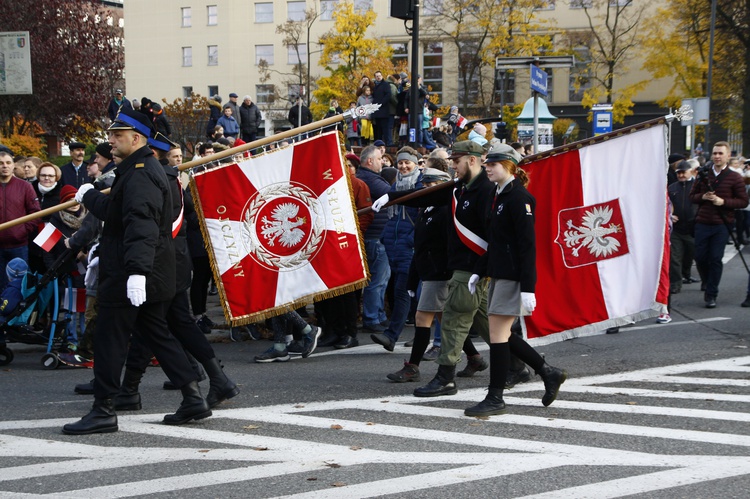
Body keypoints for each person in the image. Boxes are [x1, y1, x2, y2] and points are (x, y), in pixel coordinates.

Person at [63, 109, 211, 435]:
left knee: (109, 337)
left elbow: (140, 224)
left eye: (117, 135)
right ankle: (192, 397)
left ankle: (103, 409)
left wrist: (136, 273)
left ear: (137, 138)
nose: (110, 140)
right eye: (111, 134)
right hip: (147, 270)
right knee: (157, 332)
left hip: (133, 270)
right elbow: (118, 214)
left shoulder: (141, 173)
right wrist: (90, 196)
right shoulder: (135, 169)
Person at [370, 141, 495, 398]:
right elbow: (421, 242)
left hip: (454, 271)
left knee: (449, 321)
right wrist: (391, 198)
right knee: (472, 323)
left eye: (456, 161)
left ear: (472, 160)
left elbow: (484, 234)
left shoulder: (473, 193)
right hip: (444, 271)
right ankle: (497, 360)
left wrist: (480, 269)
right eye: (424, 183)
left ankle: (427, 371)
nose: (453, 166)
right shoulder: (445, 198)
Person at [463, 144, 567, 417]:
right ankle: (548, 372)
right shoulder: (499, 195)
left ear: (509, 166)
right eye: (486, 164)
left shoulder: (519, 197)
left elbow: (526, 246)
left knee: (498, 336)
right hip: (499, 272)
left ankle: (496, 396)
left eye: (492, 164)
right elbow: (495, 241)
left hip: (512, 275)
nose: (487, 168)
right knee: (501, 335)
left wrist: (528, 288)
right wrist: (480, 269)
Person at [371, 147, 423, 351]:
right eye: (400, 162)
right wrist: (386, 236)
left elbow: (418, 209)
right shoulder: (396, 184)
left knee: (405, 292)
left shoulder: (420, 183)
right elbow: (394, 216)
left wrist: (411, 240)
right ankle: (420, 335)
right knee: (407, 292)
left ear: (416, 163)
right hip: (395, 245)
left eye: (407, 162)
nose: (403, 166)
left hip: (408, 247)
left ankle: (392, 336)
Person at [689, 141, 749, 308]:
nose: (716, 156)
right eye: (715, 153)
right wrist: (703, 197)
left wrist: (723, 201)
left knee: (715, 258)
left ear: (728, 156)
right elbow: (692, 196)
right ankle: (707, 282)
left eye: (720, 153)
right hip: (702, 222)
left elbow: (743, 202)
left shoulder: (735, 177)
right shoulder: (703, 174)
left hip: (722, 224)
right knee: (700, 258)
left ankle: (711, 294)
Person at [356, 145, 392, 332]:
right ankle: (372, 318)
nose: (382, 162)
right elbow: (393, 192)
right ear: (369, 161)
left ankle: (378, 314)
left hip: (376, 236)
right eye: (379, 159)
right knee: (377, 280)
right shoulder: (371, 179)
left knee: (382, 279)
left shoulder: (369, 177)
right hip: (374, 237)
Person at [0, 151, 40, 290]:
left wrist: (21, 231)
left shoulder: (25, 187)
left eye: (8, 163)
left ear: (13, 165)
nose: (4, 166)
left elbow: (35, 213)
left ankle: (18, 312)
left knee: (19, 287)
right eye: (1, 163)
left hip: (18, 245)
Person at [668, 160, 698, 295]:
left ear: (690, 171)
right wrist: (670, 215)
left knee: (690, 255)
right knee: (675, 256)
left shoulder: (697, 186)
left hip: (693, 228)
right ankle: (675, 283)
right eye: (678, 173)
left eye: (683, 172)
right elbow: (665, 205)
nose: (681, 175)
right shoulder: (672, 188)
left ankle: (687, 273)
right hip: (677, 228)